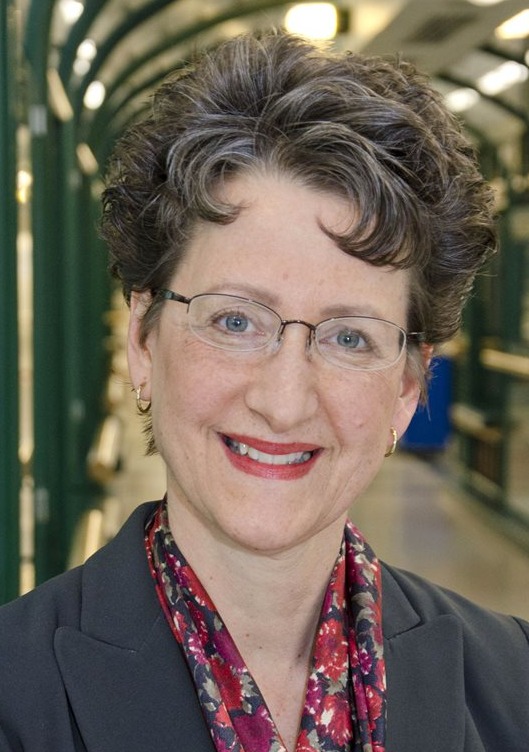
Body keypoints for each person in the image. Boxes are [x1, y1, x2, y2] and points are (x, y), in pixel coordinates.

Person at [0, 29, 528, 752]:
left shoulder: (513, 683)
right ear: (143, 341)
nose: (284, 402)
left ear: (407, 386)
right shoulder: (16, 693)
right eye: (235, 320)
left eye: (349, 338)